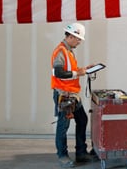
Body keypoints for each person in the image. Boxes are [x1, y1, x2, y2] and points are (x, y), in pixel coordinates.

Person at [51, 22, 97, 167]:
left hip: (72, 95)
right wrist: (79, 72)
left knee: (82, 120)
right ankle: (62, 156)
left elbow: (70, 70)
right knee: (63, 126)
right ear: (71, 36)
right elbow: (58, 73)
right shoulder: (60, 52)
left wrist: (83, 70)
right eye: (78, 39)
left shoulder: (68, 50)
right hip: (64, 96)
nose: (79, 42)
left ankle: (81, 153)